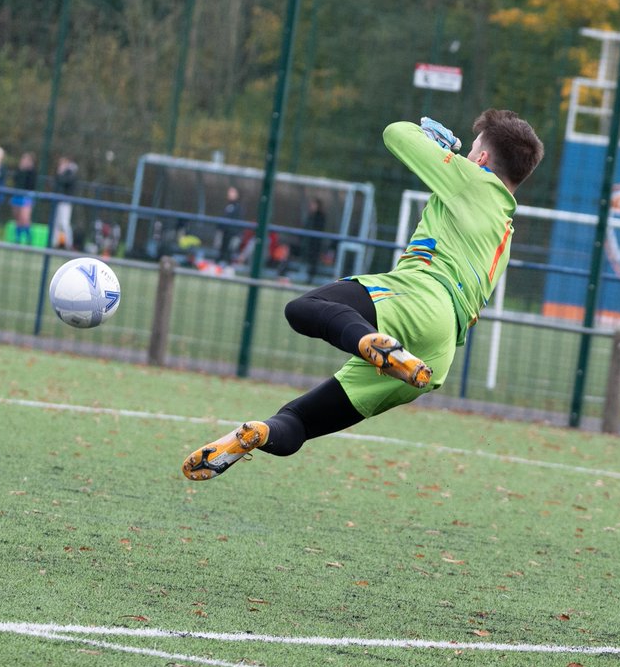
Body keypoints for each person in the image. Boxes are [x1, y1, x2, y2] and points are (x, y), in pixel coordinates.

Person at [183, 111, 544, 480]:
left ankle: (371, 341)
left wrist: (432, 140)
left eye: (471, 150)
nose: (465, 156)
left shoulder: (473, 181)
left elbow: (395, 133)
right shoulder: (505, 228)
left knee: (304, 308)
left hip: (420, 299)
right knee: (300, 421)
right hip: (438, 351)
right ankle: (260, 433)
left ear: (482, 159)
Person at [51, 155, 78, 249]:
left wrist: (61, 174)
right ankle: (55, 242)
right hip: (58, 201)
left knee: (64, 223)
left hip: (65, 202)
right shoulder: (62, 173)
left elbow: (64, 183)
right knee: (56, 222)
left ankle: (69, 243)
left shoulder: (70, 173)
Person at [10, 152, 37, 244]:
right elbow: (16, 181)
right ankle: (17, 238)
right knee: (17, 217)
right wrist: (21, 170)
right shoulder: (19, 170)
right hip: (17, 195)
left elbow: (31, 184)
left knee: (25, 218)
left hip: (27, 196)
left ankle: (29, 239)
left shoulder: (32, 172)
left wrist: (27, 171)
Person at [216, 185, 243, 265]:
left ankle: (228, 266)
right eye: (229, 192)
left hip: (232, 234)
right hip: (224, 233)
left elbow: (238, 223)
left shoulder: (238, 208)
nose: (230, 194)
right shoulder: (227, 206)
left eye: (232, 192)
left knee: (230, 252)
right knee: (221, 251)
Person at [303, 196, 327, 281]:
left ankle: (310, 278)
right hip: (306, 243)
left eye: (314, 204)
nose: (312, 206)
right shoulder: (310, 216)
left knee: (313, 259)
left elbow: (318, 228)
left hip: (315, 243)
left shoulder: (320, 216)